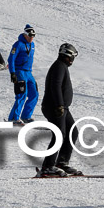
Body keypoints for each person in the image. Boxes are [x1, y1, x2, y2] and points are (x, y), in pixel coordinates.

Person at [39, 43, 81, 177]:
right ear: (68, 56)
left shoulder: (61, 66)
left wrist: (62, 106)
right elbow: (55, 86)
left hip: (62, 107)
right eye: (72, 57)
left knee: (72, 132)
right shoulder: (58, 66)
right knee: (59, 134)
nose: (72, 60)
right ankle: (48, 166)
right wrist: (59, 105)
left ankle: (61, 163)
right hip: (55, 107)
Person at [7, 24, 38, 124]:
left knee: (34, 94)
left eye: (33, 36)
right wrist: (12, 73)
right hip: (19, 72)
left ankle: (26, 116)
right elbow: (11, 59)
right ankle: (13, 118)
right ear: (25, 35)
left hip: (29, 72)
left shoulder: (32, 45)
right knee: (21, 95)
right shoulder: (18, 44)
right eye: (29, 36)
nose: (31, 38)